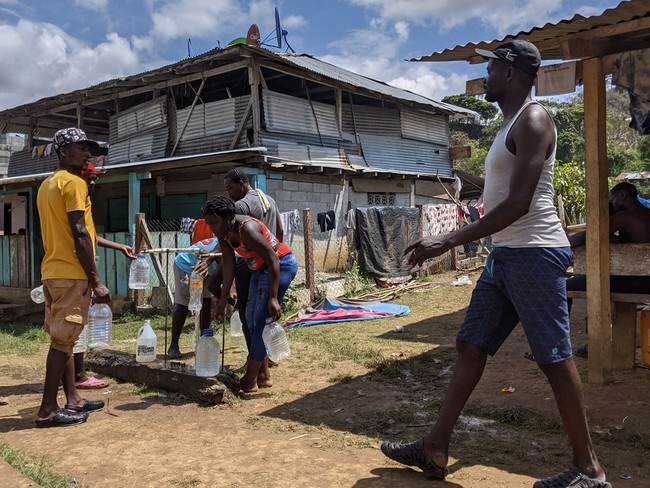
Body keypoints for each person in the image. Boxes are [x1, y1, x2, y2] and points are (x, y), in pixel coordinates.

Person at [380, 41, 611, 488]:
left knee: (555, 358)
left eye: (490, 68)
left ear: (509, 72)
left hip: (535, 253)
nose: (484, 77)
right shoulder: (510, 123)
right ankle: (435, 447)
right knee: (471, 345)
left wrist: (448, 238)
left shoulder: (535, 120)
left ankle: (590, 471)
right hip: (505, 255)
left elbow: (520, 203)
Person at [35, 128, 108, 427]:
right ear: (64, 151)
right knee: (62, 342)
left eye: (89, 148)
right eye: (82, 148)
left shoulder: (47, 185)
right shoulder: (73, 183)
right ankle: (48, 411)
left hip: (53, 272)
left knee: (64, 340)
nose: (88, 154)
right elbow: (79, 233)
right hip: (71, 274)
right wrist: (95, 279)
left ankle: (73, 399)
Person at [201, 196, 297, 393]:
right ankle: (262, 376)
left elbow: (273, 259)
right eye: (209, 223)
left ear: (228, 217)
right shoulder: (224, 232)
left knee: (260, 322)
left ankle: (250, 379)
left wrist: (272, 296)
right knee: (249, 320)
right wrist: (222, 300)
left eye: (214, 222)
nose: (211, 228)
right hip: (258, 268)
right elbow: (229, 266)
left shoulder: (247, 229)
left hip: (280, 265)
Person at [566, 181, 650, 358]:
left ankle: (557, 344)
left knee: (564, 288)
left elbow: (591, 234)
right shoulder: (645, 214)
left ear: (622, 195)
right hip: (643, 280)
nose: (611, 204)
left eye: (612, 199)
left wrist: (561, 246)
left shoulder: (626, 216)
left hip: (632, 282)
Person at [73, 162, 136, 389]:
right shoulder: (74, 198)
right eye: (87, 177)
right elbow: (80, 237)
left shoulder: (86, 202)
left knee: (82, 321)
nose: (91, 182)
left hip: (86, 268)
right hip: (79, 270)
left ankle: (77, 372)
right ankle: (78, 375)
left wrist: (119, 246)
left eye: (94, 178)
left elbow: (92, 237)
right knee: (78, 323)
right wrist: (95, 280)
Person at [221, 169, 283, 357]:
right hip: (270, 265)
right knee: (263, 315)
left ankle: (255, 359)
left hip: (248, 266)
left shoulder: (241, 206)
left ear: (241, 183)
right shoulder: (269, 200)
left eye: (230, 188)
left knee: (248, 317)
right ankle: (267, 357)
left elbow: (229, 240)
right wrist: (274, 254)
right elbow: (279, 230)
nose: (228, 193)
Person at [167, 236, 220, 359]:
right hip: (186, 265)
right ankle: (173, 346)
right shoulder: (225, 241)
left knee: (206, 303)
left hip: (205, 269)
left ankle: (204, 343)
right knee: (184, 306)